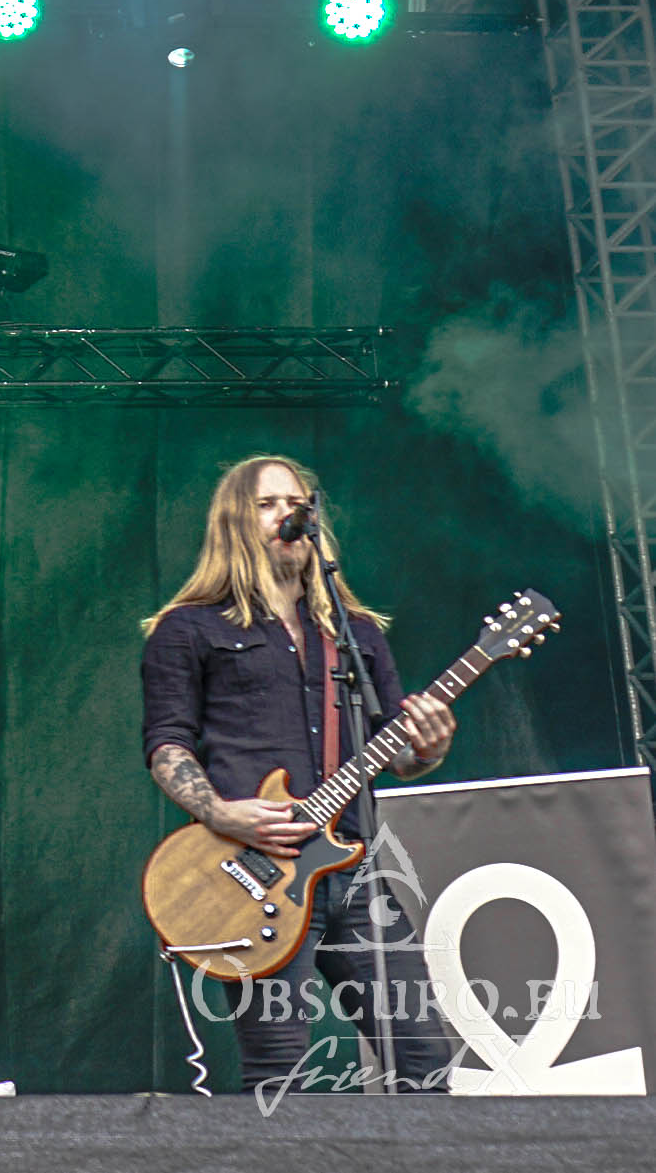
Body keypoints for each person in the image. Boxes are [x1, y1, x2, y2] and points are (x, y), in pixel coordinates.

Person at [141, 455, 458, 1093]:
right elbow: (166, 743)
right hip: (255, 874)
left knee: (426, 1064)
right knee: (278, 1076)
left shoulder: (355, 635)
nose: (287, 515)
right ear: (234, 523)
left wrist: (429, 747)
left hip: (354, 871)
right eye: (267, 504)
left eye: (296, 503)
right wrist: (220, 812)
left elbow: (395, 753)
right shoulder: (188, 628)